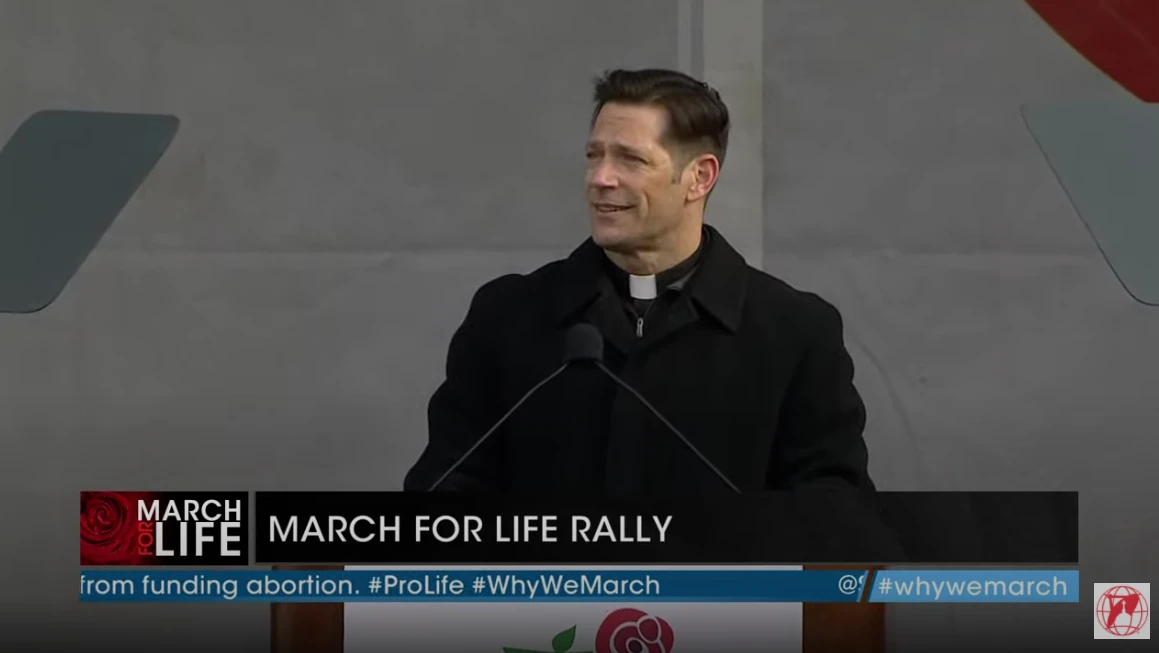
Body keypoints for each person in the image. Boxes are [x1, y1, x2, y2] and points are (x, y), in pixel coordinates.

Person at [403, 68, 874, 495]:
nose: (600, 178)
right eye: (594, 156)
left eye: (630, 159)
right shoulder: (507, 315)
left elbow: (834, 509)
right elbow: (447, 490)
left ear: (699, 177)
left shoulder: (794, 331)